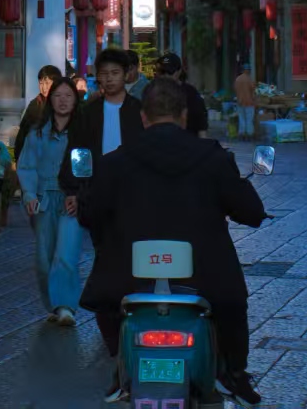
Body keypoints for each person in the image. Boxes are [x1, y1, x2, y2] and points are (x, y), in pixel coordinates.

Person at [78, 77, 266, 407]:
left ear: (143, 117)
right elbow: (251, 212)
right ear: (184, 115)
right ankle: (234, 376)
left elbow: (89, 214)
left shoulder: (115, 161)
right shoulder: (212, 157)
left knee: (108, 305)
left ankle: (120, 367)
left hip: (127, 276)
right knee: (233, 308)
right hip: (206, 276)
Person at [17, 75, 84, 324]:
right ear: (50, 100)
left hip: (71, 200)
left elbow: (86, 168)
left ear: (75, 100)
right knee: (44, 259)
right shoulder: (37, 133)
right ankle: (54, 305)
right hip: (44, 200)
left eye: (68, 96)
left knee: (66, 253)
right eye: (58, 96)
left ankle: (66, 306)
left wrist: (80, 195)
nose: (63, 101)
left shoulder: (82, 134)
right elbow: (27, 166)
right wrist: (29, 194)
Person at [60, 47, 143, 208]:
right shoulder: (88, 113)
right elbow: (78, 150)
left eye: (115, 73)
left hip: (132, 189)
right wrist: (74, 190)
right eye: (104, 74)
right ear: (98, 77)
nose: (109, 78)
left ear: (126, 75)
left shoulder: (138, 110)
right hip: (95, 190)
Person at [14, 65, 61, 162]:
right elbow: (23, 133)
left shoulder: (64, 104)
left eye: (47, 83)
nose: (44, 88)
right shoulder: (35, 105)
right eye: (41, 83)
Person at [156, 51, 209, 135]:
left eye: (170, 72)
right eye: (162, 72)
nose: (166, 76)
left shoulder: (191, 93)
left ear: (179, 71)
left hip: (188, 140)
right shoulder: (153, 93)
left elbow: (201, 126)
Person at [234, 65, 257, 141]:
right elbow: (253, 90)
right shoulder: (249, 79)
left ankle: (241, 134)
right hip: (249, 102)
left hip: (240, 102)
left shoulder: (238, 79)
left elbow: (236, 90)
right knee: (249, 119)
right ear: (247, 70)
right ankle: (249, 134)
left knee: (242, 119)